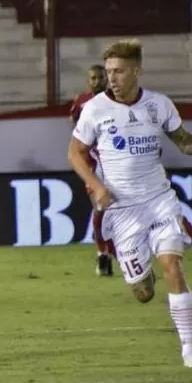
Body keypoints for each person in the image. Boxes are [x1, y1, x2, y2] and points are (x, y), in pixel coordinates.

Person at [68, 39, 192, 369]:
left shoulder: (158, 105)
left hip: (159, 199)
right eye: (108, 72)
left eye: (118, 71)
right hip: (121, 210)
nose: (112, 78)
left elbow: (183, 142)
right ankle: (138, 272)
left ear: (137, 71)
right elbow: (74, 153)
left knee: (172, 265)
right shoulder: (95, 110)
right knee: (143, 292)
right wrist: (95, 185)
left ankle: (189, 349)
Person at [70, 65, 115, 276]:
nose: (97, 81)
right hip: (92, 165)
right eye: (93, 78)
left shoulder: (116, 99)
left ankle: (116, 253)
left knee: (116, 213)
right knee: (100, 209)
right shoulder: (81, 102)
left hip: (117, 162)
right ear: (88, 81)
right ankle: (102, 255)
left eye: (100, 77)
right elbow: (74, 128)